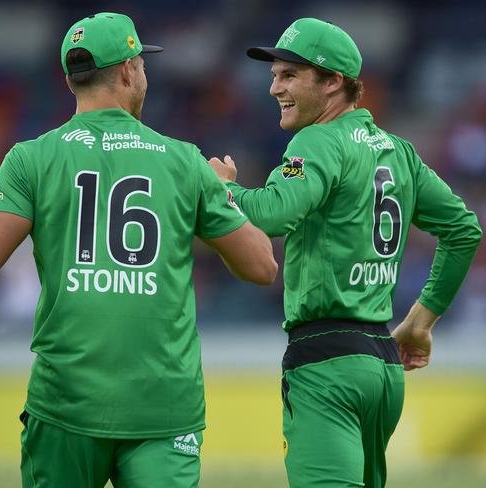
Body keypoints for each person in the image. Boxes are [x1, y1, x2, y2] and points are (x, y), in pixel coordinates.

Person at [0, 12, 278, 488]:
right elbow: (260, 266)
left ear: (73, 80)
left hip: (64, 406)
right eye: (143, 65)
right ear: (130, 70)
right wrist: (224, 194)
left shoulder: (31, 159)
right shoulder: (184, 160)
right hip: (164, 409)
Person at [208, 17, 482, 488]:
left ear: (334, 82)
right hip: (381, 368)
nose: (274, 88)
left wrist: (222, 191)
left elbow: (273, 214)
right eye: (274, 75)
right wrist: (420, 321)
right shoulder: (399, 151)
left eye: (289, 75)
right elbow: (463, 230)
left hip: (325, 361)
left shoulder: (316, 141)